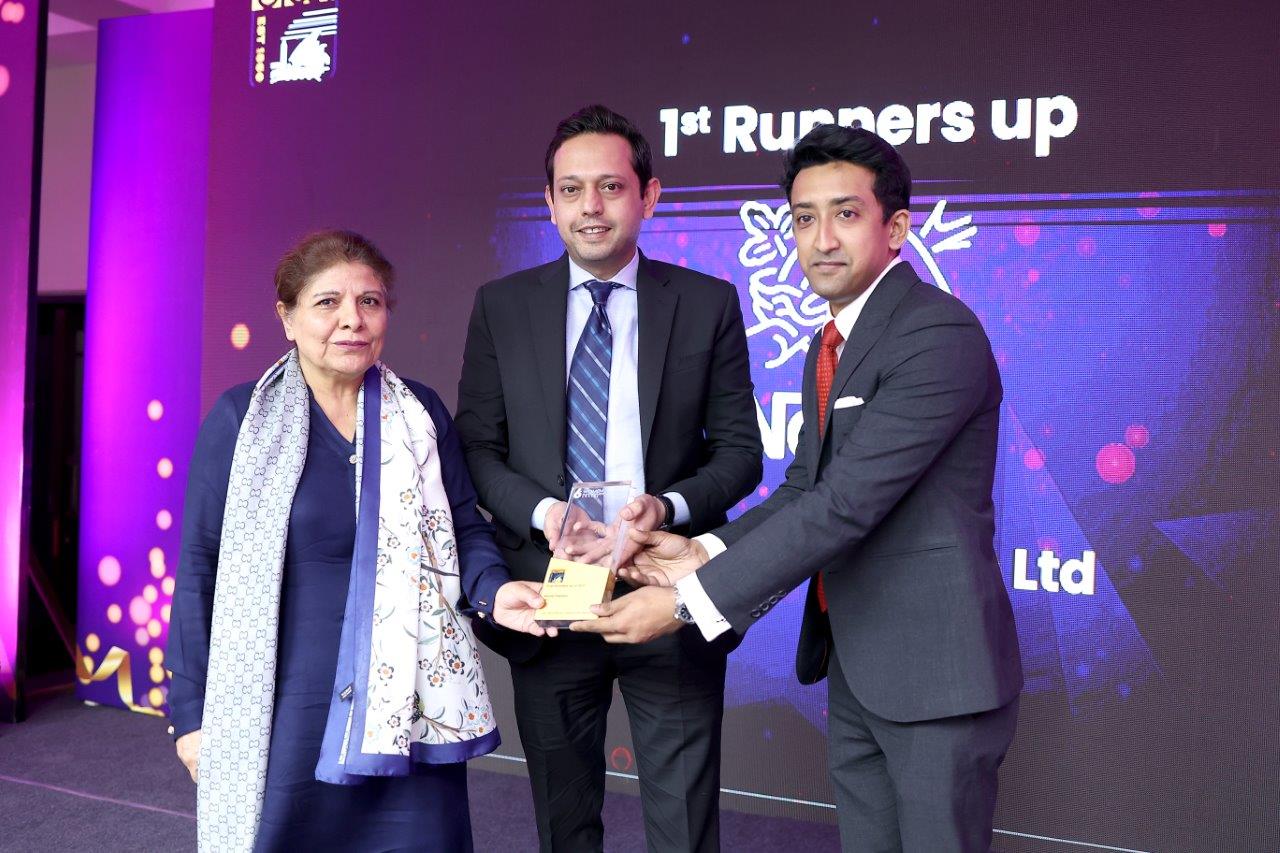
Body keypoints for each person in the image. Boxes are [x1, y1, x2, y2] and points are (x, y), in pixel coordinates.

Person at [574, 125, 1024, 852]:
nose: (821, 239)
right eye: (804, 218)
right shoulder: (830, 341)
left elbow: (844, 505)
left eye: (846, 214)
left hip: (937, 677)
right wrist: (700, 550)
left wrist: (689, 603)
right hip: (857, 663)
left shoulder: (937, 333)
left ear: (896, 229)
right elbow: (805, 488)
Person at [164, 229, 548, 852]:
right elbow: (200, 568)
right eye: (328, 303)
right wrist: (191, 713)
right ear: (287, 318)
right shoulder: (241, 420)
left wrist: (496, 592)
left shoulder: (419, 412)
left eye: (369, 301)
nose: (352, 320)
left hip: (409, 704)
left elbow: (463, 526)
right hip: (285, 709)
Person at [454, 105, 762, 852]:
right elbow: (477, 450)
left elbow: (740, 454)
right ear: (550, 201)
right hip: (551, 594)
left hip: (665, 588)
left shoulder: (706, 303)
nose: (590, 206)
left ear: (648, 195)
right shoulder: (502, 306)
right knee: (565, 827)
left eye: (611, 187)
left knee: (683, 830)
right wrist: (546, 513)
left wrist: (670, 507)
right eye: (571, 189)